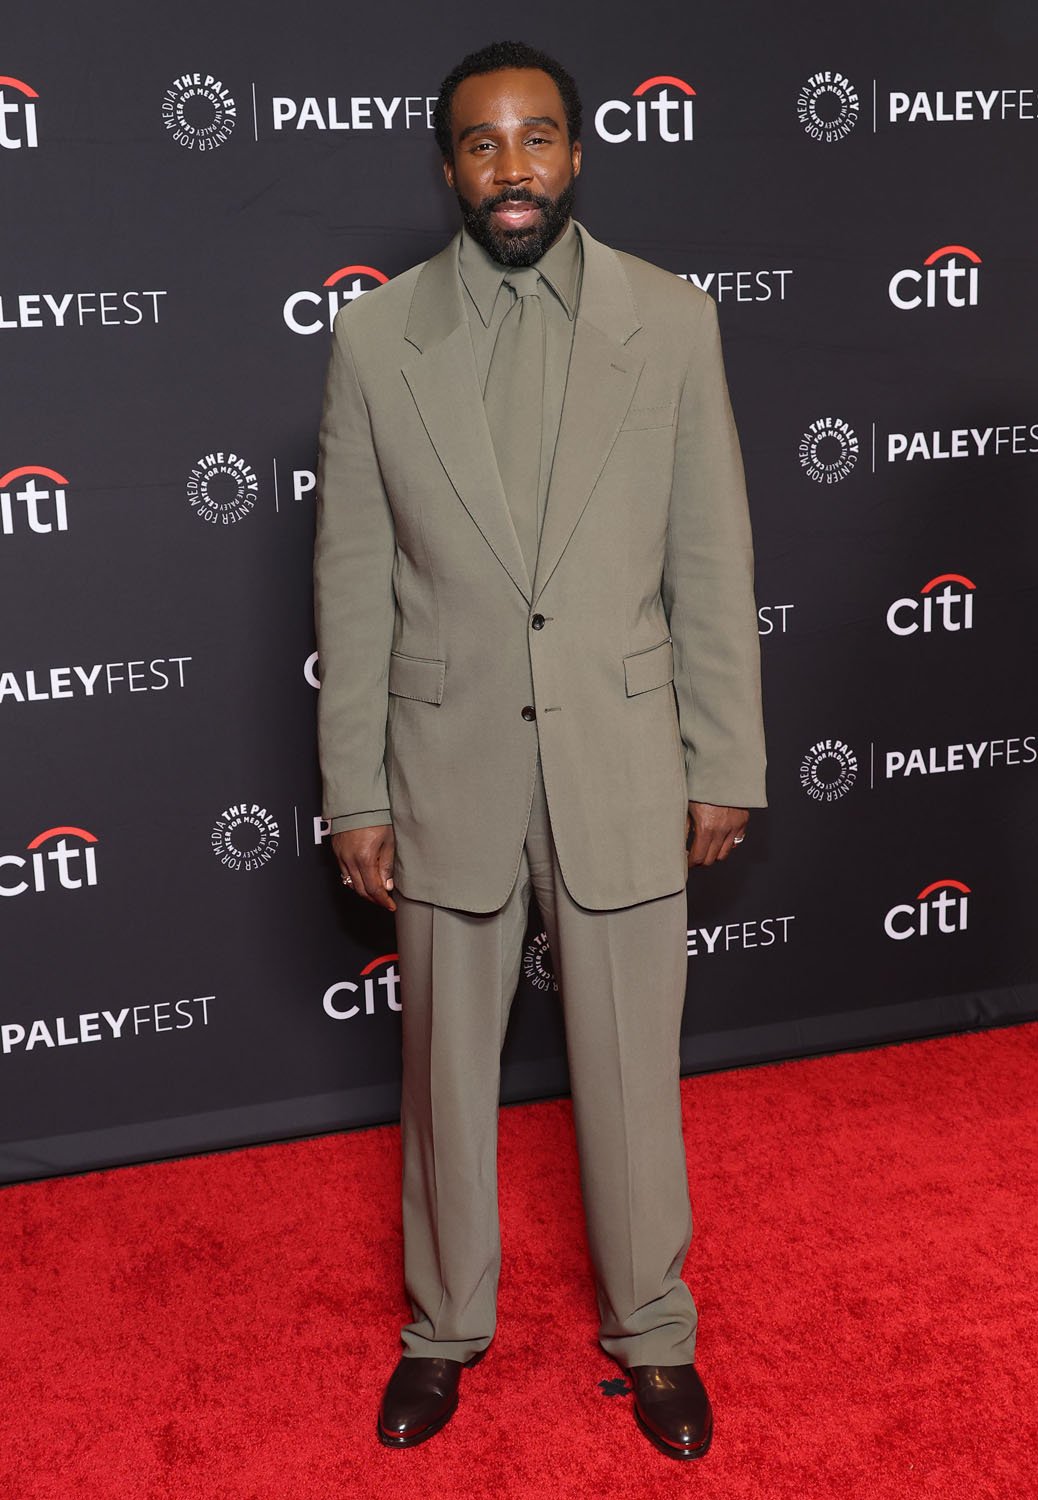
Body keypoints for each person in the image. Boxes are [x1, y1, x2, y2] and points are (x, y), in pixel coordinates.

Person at [314, 39, 766, 1461]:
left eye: (535, 138)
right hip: (444, 763)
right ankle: (442, 1330)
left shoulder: (671, 319)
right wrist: (355, 790)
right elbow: (352, 584)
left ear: (576, 153)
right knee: (444, 1077)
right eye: (481, 143)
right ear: (447, 167)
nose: (511, 167)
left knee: (631, 1072)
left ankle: (653, 1330)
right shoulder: (374, 338)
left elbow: (710, 557)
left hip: (622, 757)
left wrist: (724, 758)